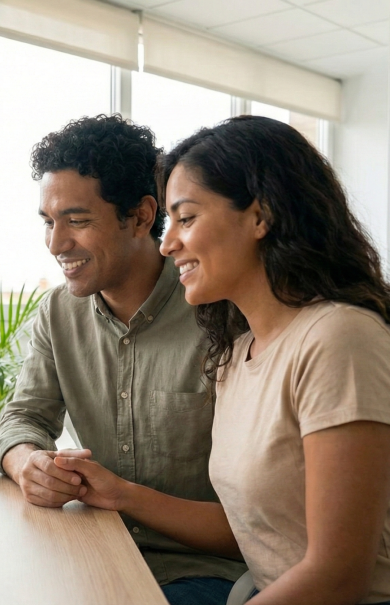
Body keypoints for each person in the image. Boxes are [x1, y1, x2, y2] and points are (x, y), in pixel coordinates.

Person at [54, 115, 390, 604]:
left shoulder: (339, 337)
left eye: (187, 219)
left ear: (260, 216)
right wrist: (120, 493)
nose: (167, 244)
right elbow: (250, 530)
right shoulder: (235, 353)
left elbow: (338, 576)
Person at [0, 115, 246, 604]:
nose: (56, 244)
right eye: (48, 222)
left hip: (203, 571)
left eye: (77, 221)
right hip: (93, 551)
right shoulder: (59, 312)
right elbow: (23, 417)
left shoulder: (224, 312)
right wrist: (27, 464)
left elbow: (265, 514)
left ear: (142, 216)